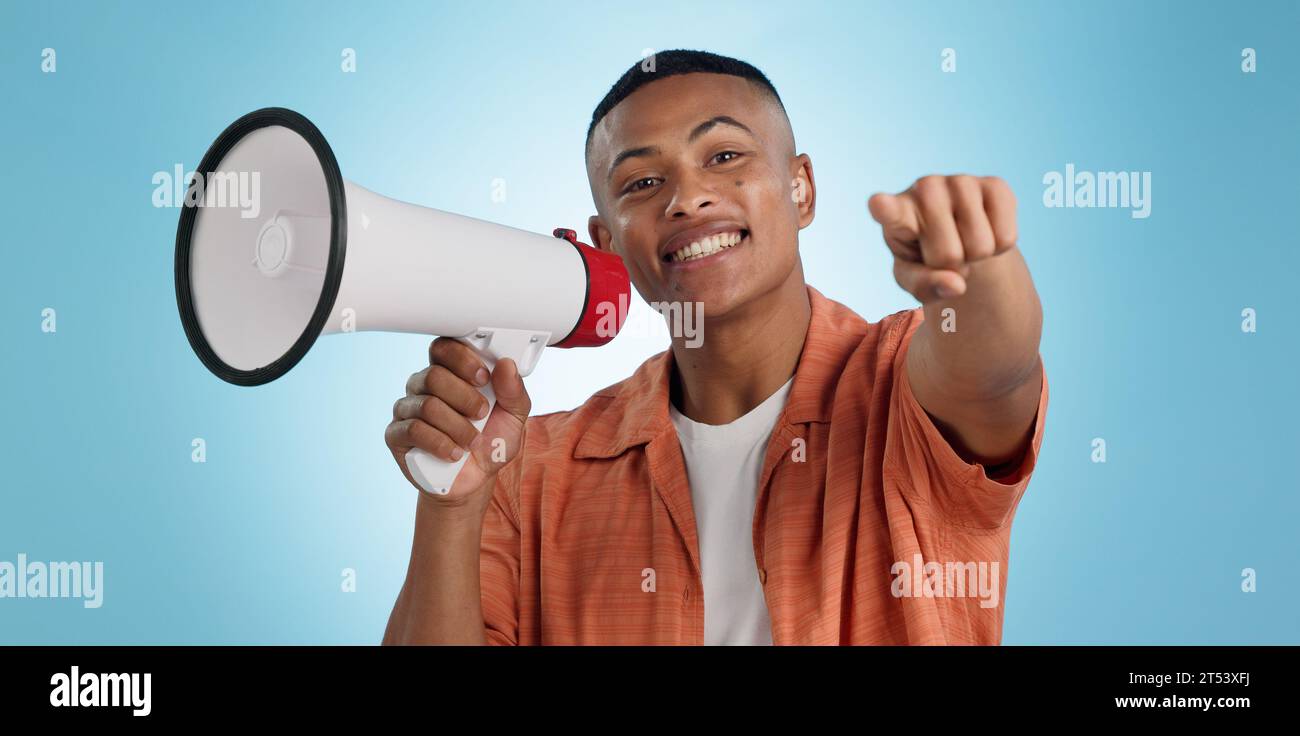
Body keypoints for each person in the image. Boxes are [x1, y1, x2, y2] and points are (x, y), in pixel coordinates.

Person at [382, 50, 1047, 645]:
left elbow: (996, 366)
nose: (688, 198)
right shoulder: (527, 473)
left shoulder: (899, 387)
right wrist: (452, 504)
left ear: (801, 188)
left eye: (724, 157)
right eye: (642, 183)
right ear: (607, 244)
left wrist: (977, 268)